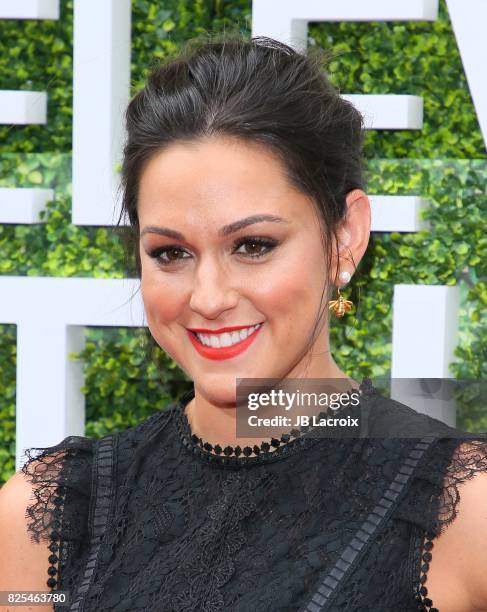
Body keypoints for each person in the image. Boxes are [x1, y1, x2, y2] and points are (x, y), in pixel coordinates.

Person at [1, 33, 487, 612]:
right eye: (170, 253)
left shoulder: (460, 510)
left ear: (345, 236)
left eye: (253, 245)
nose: (208, 298)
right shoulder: (48, 515)